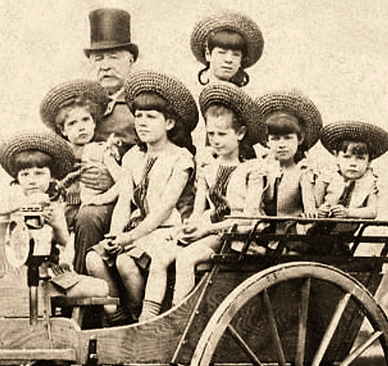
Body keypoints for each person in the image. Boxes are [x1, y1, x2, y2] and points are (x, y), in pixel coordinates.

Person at [85, 71, 198, 323]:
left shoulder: (180, 158)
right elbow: (125, 200)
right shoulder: (133, 157)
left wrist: (128, 239)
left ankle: (141, 320)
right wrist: (116, 234)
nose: (142, 123)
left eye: (151, 117)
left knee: (125, 261)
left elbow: (164, 209)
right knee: (94, 259)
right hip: (133, 231)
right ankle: (119, 317)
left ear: (169, 123)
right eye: (138, 117)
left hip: (165, 231)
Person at [150, 83, 265, 312]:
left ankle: (179, 317)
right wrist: (190, 227)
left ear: (240, 133)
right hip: (209, 229)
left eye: (222, 134)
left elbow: (249, 219)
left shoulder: (252, 170)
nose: (215, 140)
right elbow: (198, 210)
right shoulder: (207, 166)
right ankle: (148, 317)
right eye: (211, 134)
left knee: (186, 259)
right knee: (160, 256)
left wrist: (206, 230)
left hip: (236, 236)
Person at [0, 130, 113, 304]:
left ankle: (110, 324)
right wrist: (22, 205)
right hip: (12, 273)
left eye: (39, 173)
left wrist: (56, 224)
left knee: (102, 288)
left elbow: (64, 241)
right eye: (25, 174)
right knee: (100, 290)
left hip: (48, 274)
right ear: (17, 177)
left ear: (52, 177)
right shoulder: (14, 195)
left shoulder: (53, 206)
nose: (32, 180)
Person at [73, 8, 142, 273]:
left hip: (129, 199)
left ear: (131, 60)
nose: (105, 65)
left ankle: (84, 306)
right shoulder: (81, 108)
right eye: (98, 58)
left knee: (88, 218)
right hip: (81, 196)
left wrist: (113, 177)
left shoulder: (141, 106)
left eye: (114, 57)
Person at [38, 79, 123, 232]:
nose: (81, 127)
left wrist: (103, 198)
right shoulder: (62, 155)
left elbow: (123, 181)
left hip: (93, 207)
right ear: (63, 130)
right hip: (65, 211)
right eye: (72, 123)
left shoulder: (102, 151)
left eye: (85, 120)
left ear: (94, 123)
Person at [247, 90, 322, 221]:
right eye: (275, 139)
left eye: (288, 138)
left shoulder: (303, 170)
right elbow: (252, 205)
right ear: (267, 141)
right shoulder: (261, 168)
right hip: (261, 230)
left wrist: (310, 213)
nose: (282, 145)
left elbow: (309, 200)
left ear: (300, 139)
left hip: (291, 230)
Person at [314, 120, 388, 220]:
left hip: (349, 232)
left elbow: (372, 211)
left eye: (360, 158)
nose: (353, 163)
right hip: (319, 230)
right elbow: (313, 206)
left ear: (369, 161)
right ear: (337, 157)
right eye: (346, 157)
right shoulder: (327, 178)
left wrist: (349, 212)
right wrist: (320, 211)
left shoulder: (369, 182)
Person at [190, 11, 265, 88]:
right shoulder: (193, 93)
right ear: (208, 55)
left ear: (241, 60)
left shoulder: (245, 98)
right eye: (221, 53)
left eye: (236, 55)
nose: (229, 60)